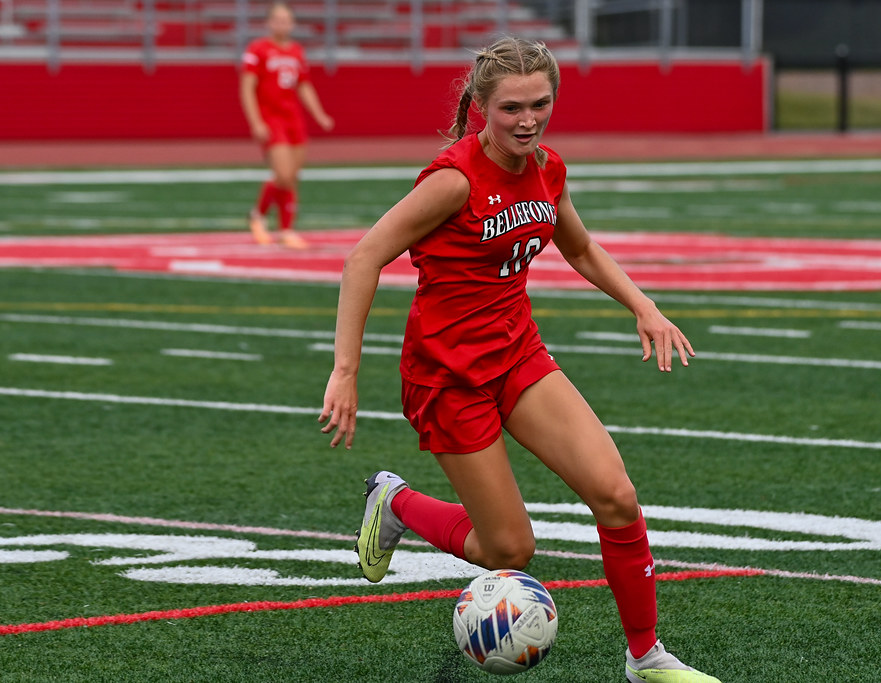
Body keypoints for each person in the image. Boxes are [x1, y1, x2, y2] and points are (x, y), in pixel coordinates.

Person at [318, 37, 719, 683]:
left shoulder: (547, 167)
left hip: (518, 354)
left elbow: (582, 248)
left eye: (540, 104)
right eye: (511, 108)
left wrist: (643, 305)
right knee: (510, 548)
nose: (527, 119)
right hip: (447, 376)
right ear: (480, 105)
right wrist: (345, 370)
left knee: (615, 494)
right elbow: (364, 257)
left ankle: (646, 657)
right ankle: (394, 503)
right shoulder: (452, 179)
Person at [239, 1, 333, 249]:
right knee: (282, 174)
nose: (282, 24)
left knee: (291, 177)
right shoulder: (258, 49)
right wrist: (255, 121)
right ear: (269, 22)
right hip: (271, 117)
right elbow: (247, 87)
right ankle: (258, 215)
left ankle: (286, 229)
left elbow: (304, 85)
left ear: (292, 24)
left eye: (286, 20)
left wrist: (319, 114)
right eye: (277, 19)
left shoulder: (296, 51)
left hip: (293, 118)